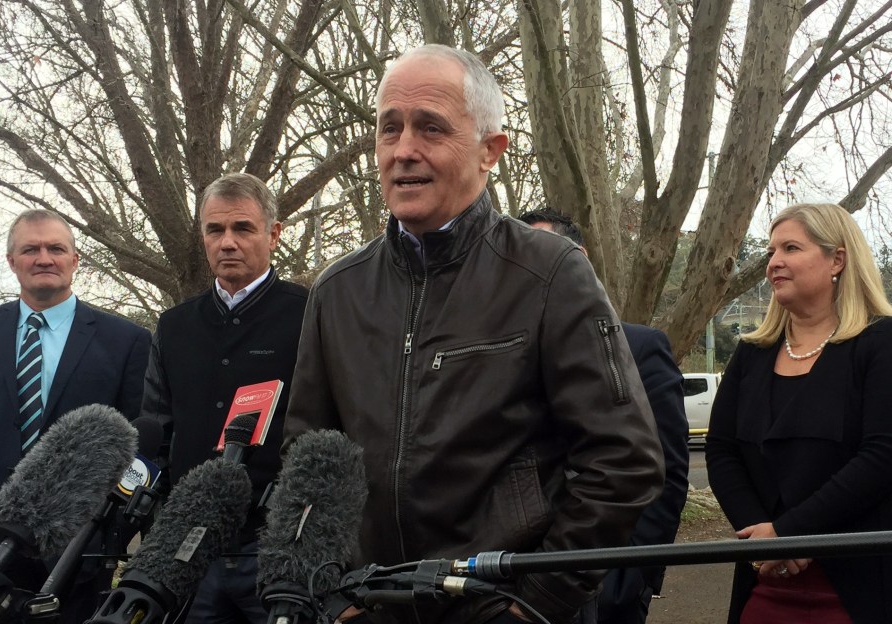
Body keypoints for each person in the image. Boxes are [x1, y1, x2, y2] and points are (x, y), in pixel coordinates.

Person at [284, 44, 664, 624]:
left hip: (502, 606)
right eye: (390, 128)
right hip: (371, 608)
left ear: (491, 150)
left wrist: (536, 602)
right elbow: (308, 462)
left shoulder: (550, 272)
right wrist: (333, 597)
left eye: (430, 127)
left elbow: (624, 459)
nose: (404, 150)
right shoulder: (337, 291)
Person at [0, 209, 151, 622]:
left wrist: (108, 538)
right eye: (30, 249)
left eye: (56, 248)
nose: (43, 258)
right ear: (12, 261)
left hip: (78, 553)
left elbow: (138, 451)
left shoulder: (127, 341)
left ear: (75, 259)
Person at [705, 203, 892, 623]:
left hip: (858, 585)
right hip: (766, 582)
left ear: (837, 260)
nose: (774, 263)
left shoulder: (880, 343)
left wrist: (791, 534)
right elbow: (720, 450)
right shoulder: (752, 353)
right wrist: (764, 539)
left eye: (791, 248)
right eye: (771, 252)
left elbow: (882, 456)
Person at [141, 173, 308, 624]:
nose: (227, 242)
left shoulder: (311, 314)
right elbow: (156, 430)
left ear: (273, 234)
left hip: (275, 549)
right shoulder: (174, 327)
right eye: (215, 230)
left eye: (243, 228)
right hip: (191, 552)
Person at [518, 209, 689, 624]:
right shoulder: (497, 357)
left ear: (579, 258)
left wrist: (631, 578)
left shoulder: (640, 346)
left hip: (608, 584)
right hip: (512, 587)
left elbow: (665, 474)